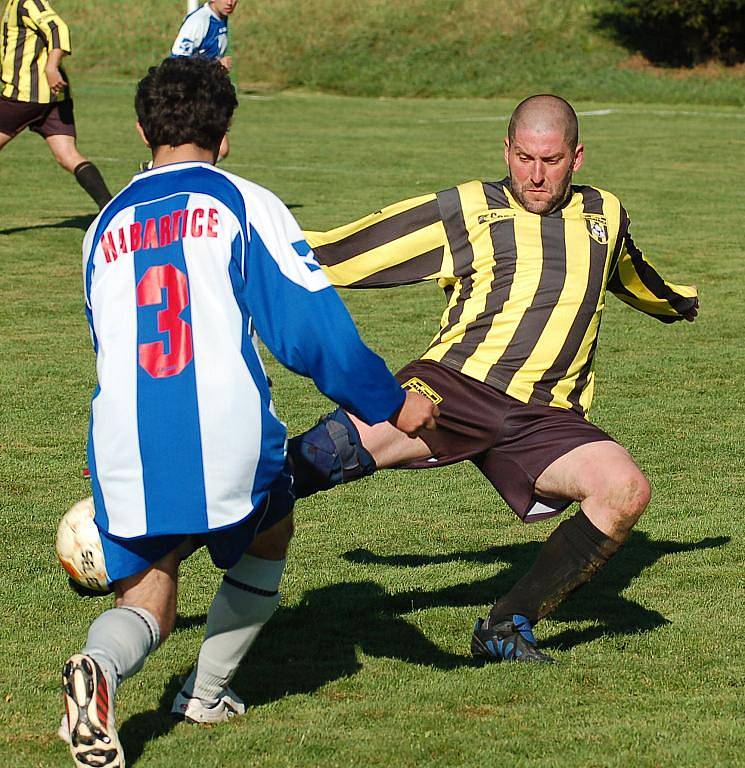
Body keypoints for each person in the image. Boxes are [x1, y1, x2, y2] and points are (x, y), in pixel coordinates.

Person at [60, 56, 436, 768]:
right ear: (225, 134)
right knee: (270, 531)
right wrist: (390, 404)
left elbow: (108, 346)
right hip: (225, 430)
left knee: (147, 597)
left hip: (123, 439)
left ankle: (99, 670)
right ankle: (205, 694)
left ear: (142, 129)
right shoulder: (241, 202)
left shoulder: (103, 226)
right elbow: (307, 332)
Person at [288, 94, 699, 663]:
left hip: (546, 418)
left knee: (623, 490)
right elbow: (354, 248)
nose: (534, 175)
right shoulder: (468, 207)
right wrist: (253, 254)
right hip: (455, 387)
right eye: (524, 158)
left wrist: (674, 302)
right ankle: (144, 551)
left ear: (576, 158)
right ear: (506, 149)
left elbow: (627, 272)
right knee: (316, 458)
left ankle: (506, 626)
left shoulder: (606, 213)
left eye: (550, 161)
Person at [0, 0, 111, 209]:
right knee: (67, 155)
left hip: (25, 96)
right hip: (52, 98)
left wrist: (52, 67)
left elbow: (57, 27)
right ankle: (110, 209)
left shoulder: (27, 2)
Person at [170, 0, 238, 161]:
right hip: (189, 94)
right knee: (217, 149)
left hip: (206, 93)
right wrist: (216, 65)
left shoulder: (220, 17)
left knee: (214, 150)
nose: (230, 2)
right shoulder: (199, 21)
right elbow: (177, 62)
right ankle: (156, 169)